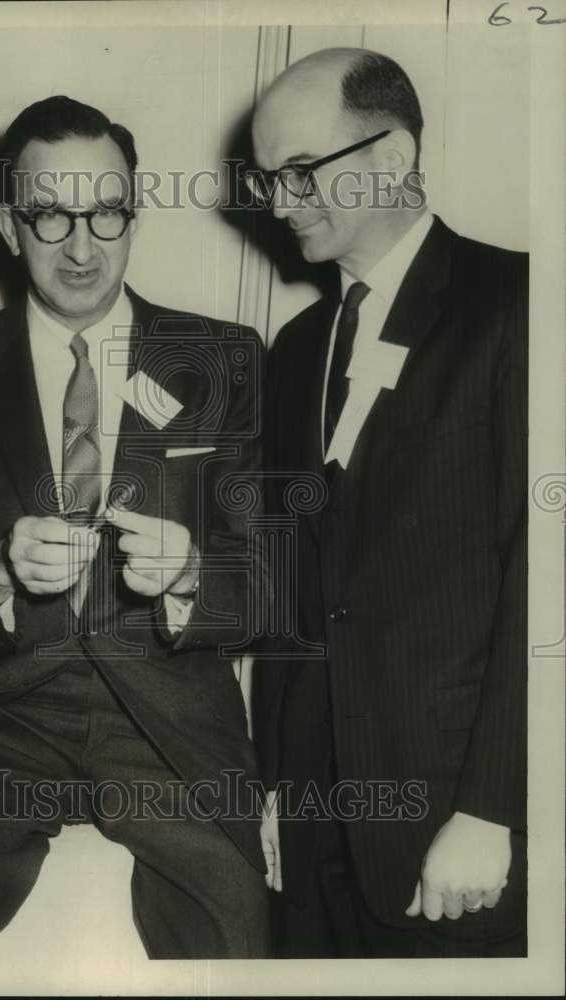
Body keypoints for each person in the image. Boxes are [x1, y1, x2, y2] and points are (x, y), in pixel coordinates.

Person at [0, 96, 271, 960]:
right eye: (49, 215)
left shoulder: (225, 360)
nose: (82, 247)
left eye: (106, 212)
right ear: (9, 224)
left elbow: (270, 578)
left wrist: (192, 574)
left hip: (168, 719)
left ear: (133, 211)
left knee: (237, 918)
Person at [250, 48, 527, 957]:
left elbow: (546, 576)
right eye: (268, 180)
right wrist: (272, 786)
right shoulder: (293, 349)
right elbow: (295, 588)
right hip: (311, 830)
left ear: (393, 156)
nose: (281, 204)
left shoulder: (520, 303)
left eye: (299, 173)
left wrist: (494, 808)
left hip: (455, 830)